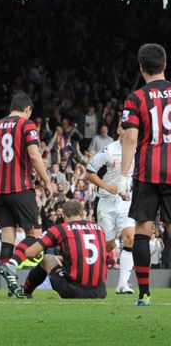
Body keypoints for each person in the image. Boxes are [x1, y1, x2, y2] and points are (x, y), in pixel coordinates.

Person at [118, 43, 171, 306]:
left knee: (142, 231)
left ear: (141, 68)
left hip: (147, 173)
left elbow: (130, 138)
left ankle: (144, 294)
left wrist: (123, 173)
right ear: (165, 64)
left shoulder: (135, 98)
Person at [0, 92, 54, 298]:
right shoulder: (27, 125)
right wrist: (47, 180)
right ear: (27, 110)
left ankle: (12, 287)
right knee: (33, 236)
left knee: (8, 237)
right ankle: (14, 266)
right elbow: (34, 155)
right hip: (21, 188)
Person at [15, 199, 108, 299]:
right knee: (59, 259)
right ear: (81, 213)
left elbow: (29, 253)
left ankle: (25, 291)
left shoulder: (60, 229)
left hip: (73, 290)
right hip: (100, 291)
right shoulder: (99, 228)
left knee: (47, 258)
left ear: (63, 215)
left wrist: (38, 253)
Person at [85, 125, 135, 294]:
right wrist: (107, 186)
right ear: (119, 130)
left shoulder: (137, 149)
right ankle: (96, 279)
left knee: (130, 237)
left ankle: (123, 284)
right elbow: (89, 173)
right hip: (105, 201)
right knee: (108, 246)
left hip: (125, 201)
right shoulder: (108, 151)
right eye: (126, 128)